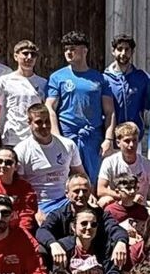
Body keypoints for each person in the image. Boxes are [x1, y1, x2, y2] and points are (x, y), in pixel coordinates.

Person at [44, 30, 109, 174]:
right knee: (67, 177)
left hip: (92, 137)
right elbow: (49, 107)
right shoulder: (57, 77)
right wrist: (57, 136)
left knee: (93, 177)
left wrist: (108, 138)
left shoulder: (100, 78)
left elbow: (110, 112)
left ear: (85, 50)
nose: (68, 52)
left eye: (72, 49)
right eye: (66, 49)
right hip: (67, 135)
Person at [35, 174, 129, 270]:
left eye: (85, 191)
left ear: (90, 192)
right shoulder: (58, 215)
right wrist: (53, 244)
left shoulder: (100, 214)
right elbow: (42, 231)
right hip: (64, 264)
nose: (81, 195)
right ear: (67, 194)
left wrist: (121, 242)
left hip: (96, 263)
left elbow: (115, 229)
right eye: (76, 191)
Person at [15, 104, 84, 217]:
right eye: (38, 122)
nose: (44, 125)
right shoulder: (21, 150)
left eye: (47, 121)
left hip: (66, 200)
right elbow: (20, 187)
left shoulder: (68, 145)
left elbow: (79, 174)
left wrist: (88, 194)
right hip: (39, 203)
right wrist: (34, 210)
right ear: (29, 122)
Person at [101, 34, 150, 152]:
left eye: (127, 49)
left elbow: (149, 106)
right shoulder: (104, 79)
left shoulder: (142, 78)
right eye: (119, 49)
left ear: (132, 52)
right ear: (113, 51)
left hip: (134, 138)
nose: (123, 53)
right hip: (112, 139)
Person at [97, 121, 150, 201]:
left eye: (134, 140)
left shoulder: (147, 165)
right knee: (104, 200)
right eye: (127, 141)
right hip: (118, 203)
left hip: (139, 205)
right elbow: (101, 190)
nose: (131, 145)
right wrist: (128, 197)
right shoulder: (109, 162)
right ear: (118, 143)